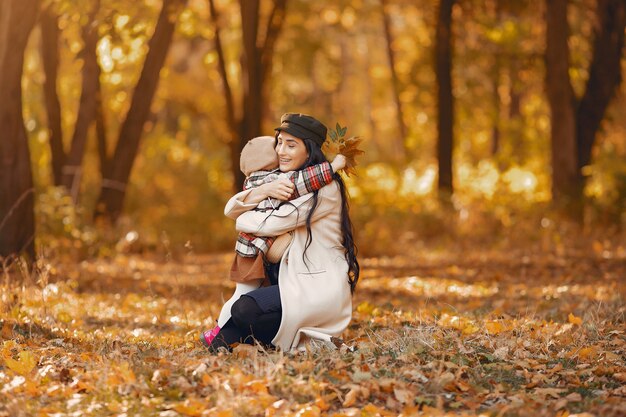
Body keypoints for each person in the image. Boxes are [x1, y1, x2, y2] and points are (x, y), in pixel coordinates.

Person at [201, 113, 360, 352]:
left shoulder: (326, 188)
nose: (281, 151)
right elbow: (230, 207)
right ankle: (259, 339)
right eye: (280, 142)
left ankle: (287, 337)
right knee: (220, 343)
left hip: (315, 286)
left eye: (291, 145)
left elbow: (272, 223)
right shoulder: (282, 180)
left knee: (244, 309)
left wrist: (243, 218)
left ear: (310, 150)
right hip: (289, 281)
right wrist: (265, 189)